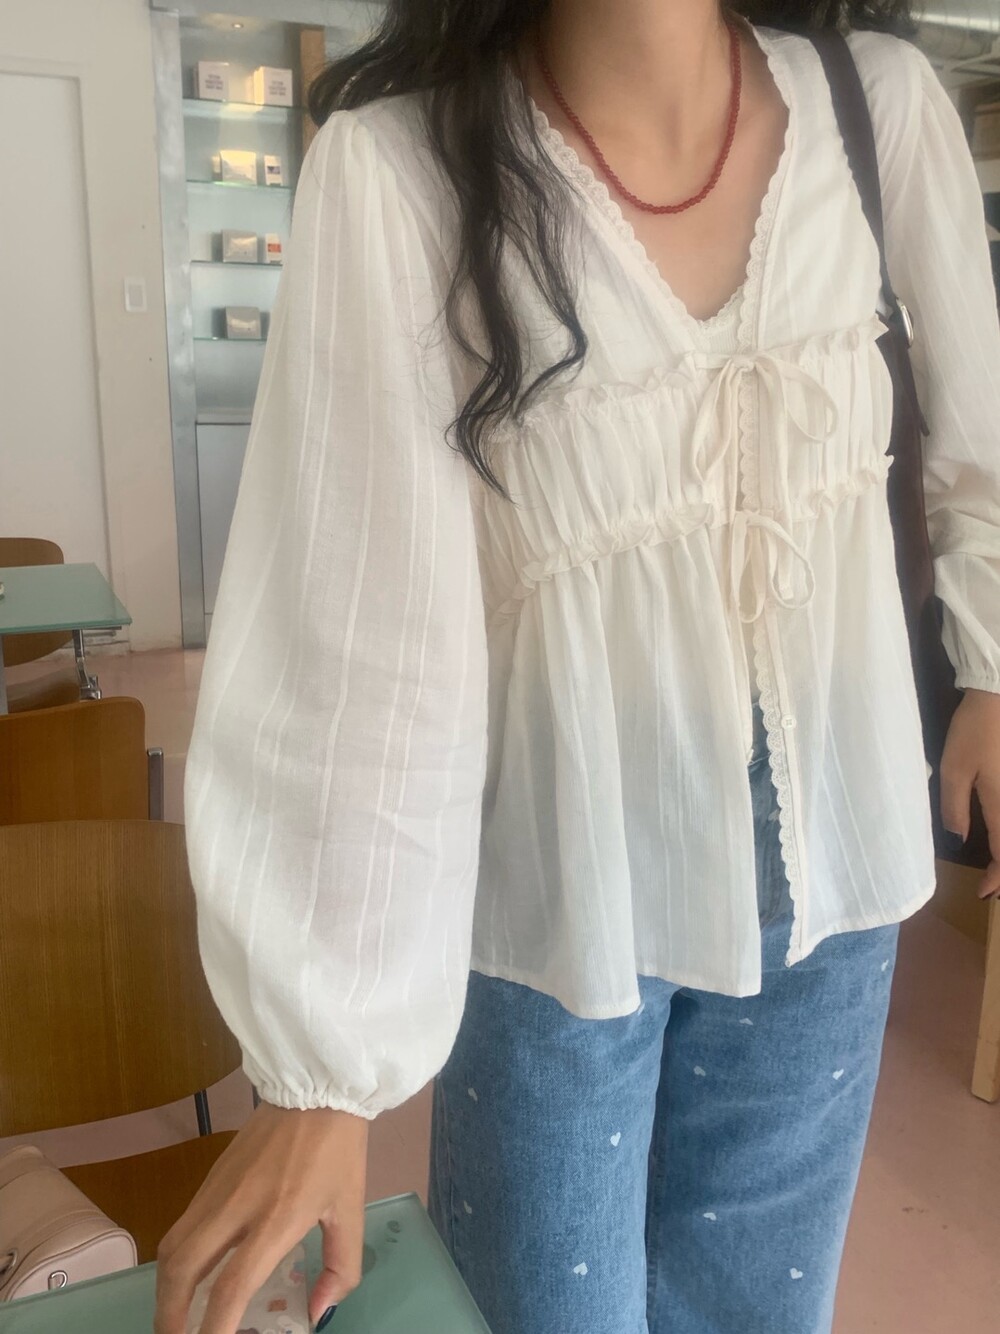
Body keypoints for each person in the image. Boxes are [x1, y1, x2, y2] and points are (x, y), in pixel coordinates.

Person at [155, 3, 1000, 1332]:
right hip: (562, 881)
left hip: (837, 859)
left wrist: (990, 667)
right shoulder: (404, 171)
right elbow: (363, 633)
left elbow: (976, 436)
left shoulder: (876, 107)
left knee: (762, 1315)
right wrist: (324, 1067)